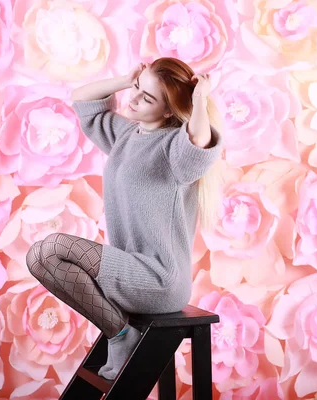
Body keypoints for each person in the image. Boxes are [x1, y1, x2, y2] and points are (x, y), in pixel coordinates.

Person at [25, 57, 223, 381]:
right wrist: (126, 80)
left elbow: (198, 141)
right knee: (38, 256)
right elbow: (83, 99)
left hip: (160, 279)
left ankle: (120, 336)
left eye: (147, 98)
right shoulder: (127, 134)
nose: (133, 100)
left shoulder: (175, 149)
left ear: (169, 110)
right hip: (130, 267)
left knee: (51, 250)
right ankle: (120, 334)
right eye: (137, 90)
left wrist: (200, 98)